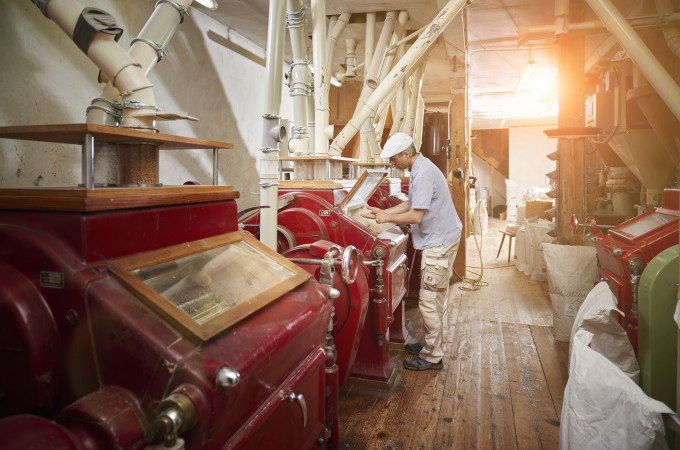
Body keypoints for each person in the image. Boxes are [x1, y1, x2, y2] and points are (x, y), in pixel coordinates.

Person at [362, 132, 462, 371]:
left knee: (429, 301)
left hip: (439, 242)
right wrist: (381, 213)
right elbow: (411, 203)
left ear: (406, 153)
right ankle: (430, 344)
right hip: (442, 237)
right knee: (434, 298)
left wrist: (387, 217)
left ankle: (432, 356)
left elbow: (416, 216)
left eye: (394, 159)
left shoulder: (424, 173)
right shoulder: (420, 168)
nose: (391, 164)